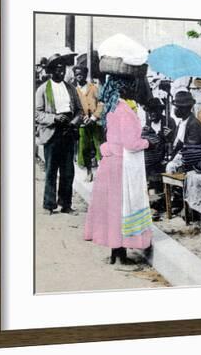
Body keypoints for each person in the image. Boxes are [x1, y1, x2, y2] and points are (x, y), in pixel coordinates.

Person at [84, 74, 153, 265]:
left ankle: (115, 253)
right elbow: (131, 143)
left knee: (112, 209)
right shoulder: (125, 111)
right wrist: (148, 143)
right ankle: (121, 257)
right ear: (124, 88)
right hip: (120, 166)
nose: (134, 90)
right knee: (122, 208)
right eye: (131, 86)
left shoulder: (111, 108)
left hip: (109, 163)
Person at [35, 53, 83, 214]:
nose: (61, 72)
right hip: (52, 132)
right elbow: (37, 114)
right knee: (51, 170)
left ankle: (66, 204)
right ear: (51, 71)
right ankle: (49, 204)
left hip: (68, 131)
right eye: (57, 69)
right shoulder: (43, 89)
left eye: (62, 69)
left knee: (68, 170)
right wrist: (54, 118)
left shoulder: (70, 88)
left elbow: (79, 111)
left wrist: (73, 122)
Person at [166, 91, 201, 173]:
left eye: (178, 107)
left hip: (192, 160)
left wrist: (173, 159)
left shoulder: (194, 124)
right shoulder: (181, 122)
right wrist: (170, 136)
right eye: (176, 107)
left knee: (170, 167)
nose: (175, 109)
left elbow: (191, 148)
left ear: (186, 108)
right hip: (181, 156)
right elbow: (177, 142)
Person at [73, 65, 104, 175]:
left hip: (95, 122)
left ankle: (102, 172)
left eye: (81, 74)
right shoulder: (74, 90)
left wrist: (94, 117)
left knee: (99, 145)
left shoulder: (93, 88)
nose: (79, 76)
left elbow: (101, 103)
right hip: (82, 123)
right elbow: (73, 107)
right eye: (76, 74)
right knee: (84, 147)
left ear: (86, 75)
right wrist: (81, 117)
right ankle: (89, 172)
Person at [143, 98, 176, 172]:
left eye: (155, 110)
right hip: (152, 158)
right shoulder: (148, 123)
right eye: (150, 111)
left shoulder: (169, 121)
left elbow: (175, 140)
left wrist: (171, 135)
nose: (152, 113)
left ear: (161, 111)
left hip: (165, 157)